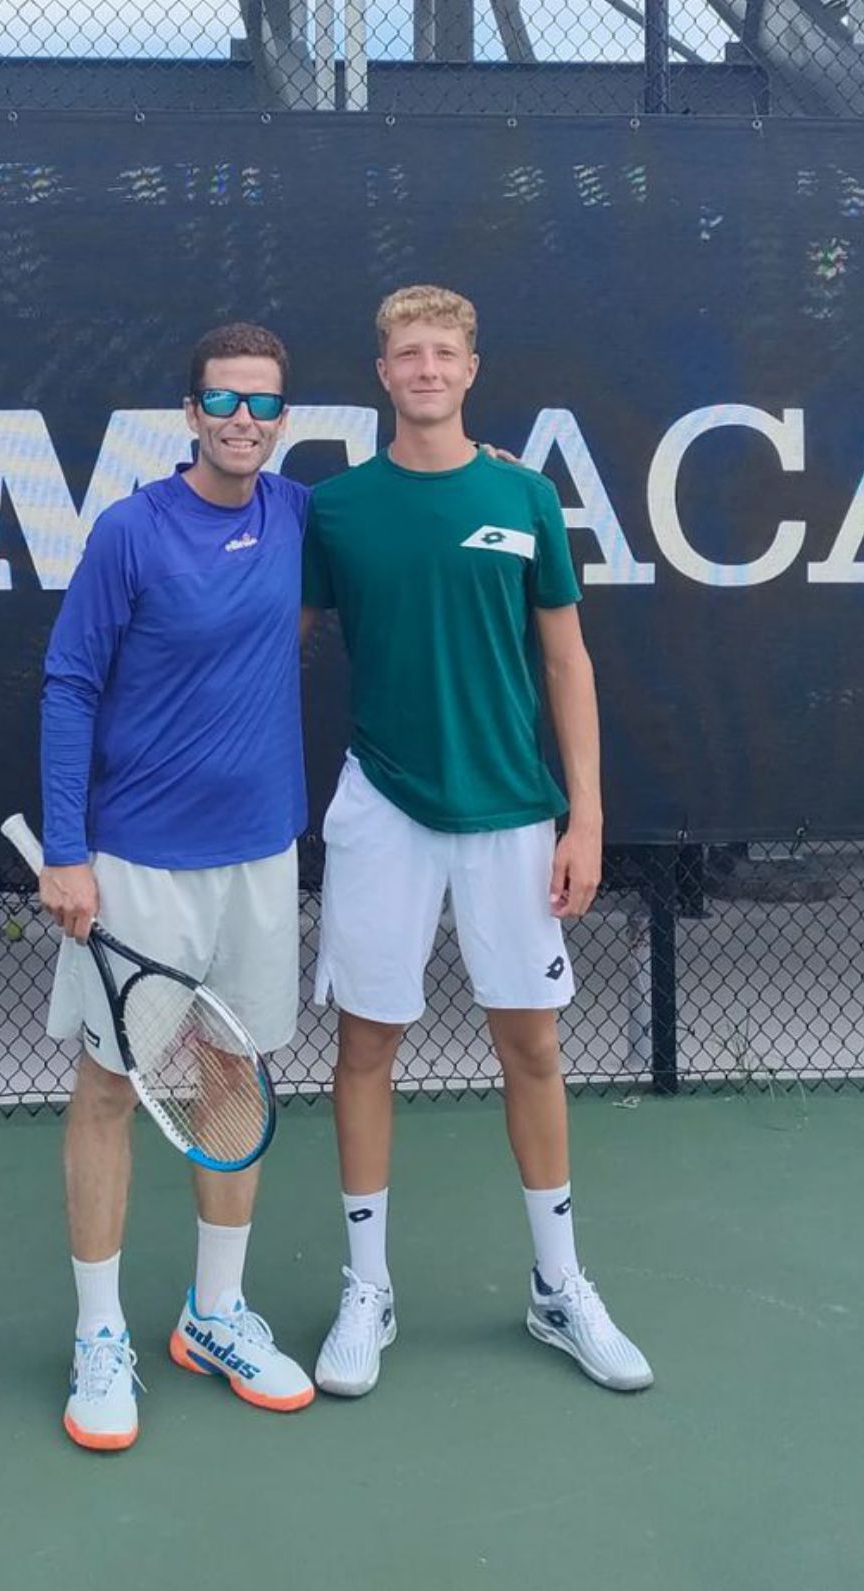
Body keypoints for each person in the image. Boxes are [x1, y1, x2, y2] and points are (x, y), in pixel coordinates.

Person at [301, 285, 653, 1398]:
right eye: (405, 352)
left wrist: (583, 815)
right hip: (382, 808)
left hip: (512, 813)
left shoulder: (524, 494)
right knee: (366, 1046)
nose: (424, 369)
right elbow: (272, 642)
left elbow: (567, 663)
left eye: (442, 352)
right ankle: (367, 1288)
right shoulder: (336, 510)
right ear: (382, 372)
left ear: (470, 367)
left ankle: (557, 1287)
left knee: (532, 1046)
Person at [37, 322, 315, 1452]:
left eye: (263, 404)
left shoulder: (300, 515)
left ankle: (213, 1316)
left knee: (231, 1068)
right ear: (189, 411)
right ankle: (99, 1333)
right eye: (223, 400)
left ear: (280, 418)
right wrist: (68, 851)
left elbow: (410, 505)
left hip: (260, 857)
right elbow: (67, 683)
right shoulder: (129, 533)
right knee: (109, 1088)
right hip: (139, 864)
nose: (244, 420)